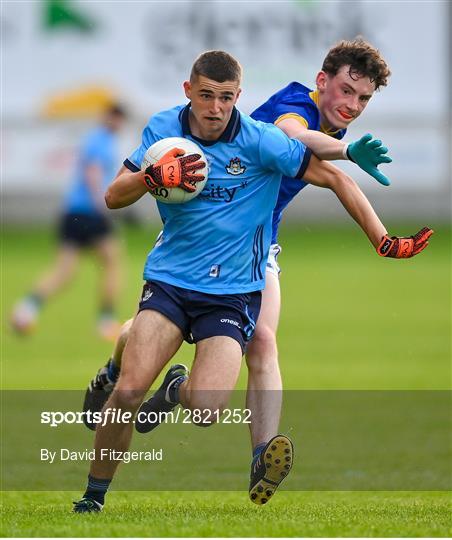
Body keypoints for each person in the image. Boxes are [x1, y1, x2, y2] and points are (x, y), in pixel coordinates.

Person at [73, 50, 432, 513]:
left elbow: (332, 177)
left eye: (225, 98)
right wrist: (150, 176)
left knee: (214, 399)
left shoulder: (262, 141)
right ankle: (93, 495)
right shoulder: (174, 128)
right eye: (205, 96)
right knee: (129, 388)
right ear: (188, 92)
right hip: (173, 277)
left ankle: (191, 399)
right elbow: (113, 195)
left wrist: (381, 236)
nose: (215, 107)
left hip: (240, 275)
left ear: (238, 98)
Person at [10, 104, 127, 341]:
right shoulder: (100, 141)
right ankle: (105, 321)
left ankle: (26, 309)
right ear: (109, 118)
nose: (117, 123)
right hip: (89, 212)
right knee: (113, 262)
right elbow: (92, 173)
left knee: (65, 270)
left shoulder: (96, 139)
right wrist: (101, 205)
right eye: (115, 118)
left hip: (73, 211)